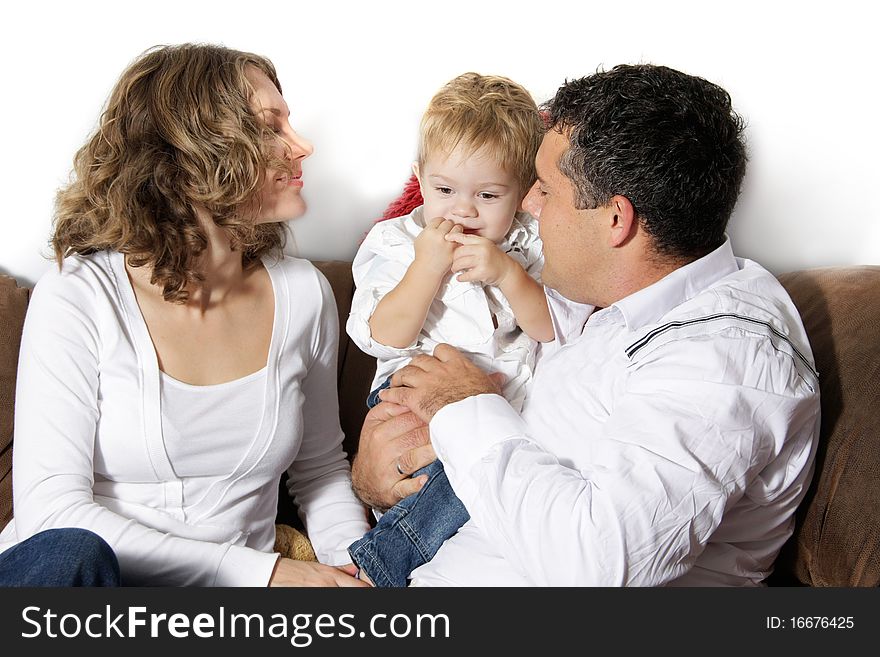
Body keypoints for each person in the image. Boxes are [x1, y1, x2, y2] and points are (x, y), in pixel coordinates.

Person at [351, 64, 821, 586]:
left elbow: (598, 566)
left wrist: (460, 407)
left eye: (545, 190)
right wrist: (380, 475)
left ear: (616, 221)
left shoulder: (727, 359)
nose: (527, 204)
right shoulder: (611, 301)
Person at [0, 44, 370, 587]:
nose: (302, 146)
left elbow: (319, 471)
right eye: (272, 127)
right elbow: (49, 514)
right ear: (195, 152)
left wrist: (357, 567)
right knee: (71, 554)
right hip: (75, 592)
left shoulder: (304, 295)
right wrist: (262, 574)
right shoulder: (78, 295)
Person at [345, 73, 551, 586]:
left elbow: (551, 328)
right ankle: (385, 558)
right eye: (444, 189)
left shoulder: (533, 245)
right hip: (411, 396)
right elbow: (381, 335)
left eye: (487, 194)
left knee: (486, 470)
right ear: (420, 176)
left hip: (504, 406)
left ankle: (391, 559)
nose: (463, 209)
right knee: (440, 466)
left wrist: (508, 274)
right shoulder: (396, 241)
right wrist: (425, 268)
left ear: (524, 193)